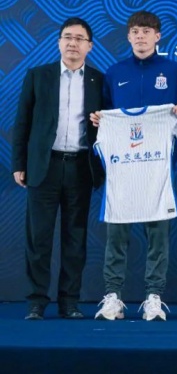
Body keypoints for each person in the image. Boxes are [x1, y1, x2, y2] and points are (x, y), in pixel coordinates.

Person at [90, 10, 177, 321]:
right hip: (122, 170)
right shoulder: (114, 73)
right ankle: (113, 296)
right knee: (116, 234)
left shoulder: (174, 71)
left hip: (158, 170)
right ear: (128, 36)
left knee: (158, 236)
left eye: (146, 31)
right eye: (135, 31)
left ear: (157, 36)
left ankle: (154, 296)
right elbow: (103, 114)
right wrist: (98, 119)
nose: (141, 36)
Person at [12, 17, 104, 320]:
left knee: (75, 239)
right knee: (38, 238)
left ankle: (69, 302)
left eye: (79, 38)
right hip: (44, 166)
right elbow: (22, 122)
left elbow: (110, 126)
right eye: (67, 37)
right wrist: (19, 163)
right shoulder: (38, 76)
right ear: (59, 42)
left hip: (80, 167)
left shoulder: (99, 81)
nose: (72, 43)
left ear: (90, 46)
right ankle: (37, 301)